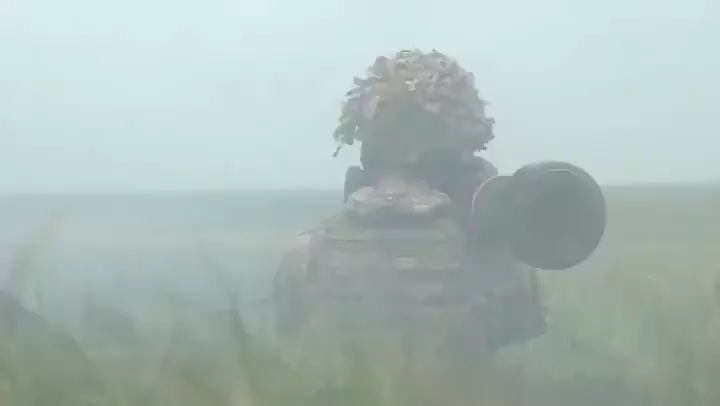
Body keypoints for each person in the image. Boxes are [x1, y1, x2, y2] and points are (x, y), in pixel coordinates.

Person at [272, 49, 546, 381]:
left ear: (368, 148)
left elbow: (293, 337)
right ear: (457, 156)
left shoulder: (306, 253)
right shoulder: (497, 260)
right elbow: (519, 328)